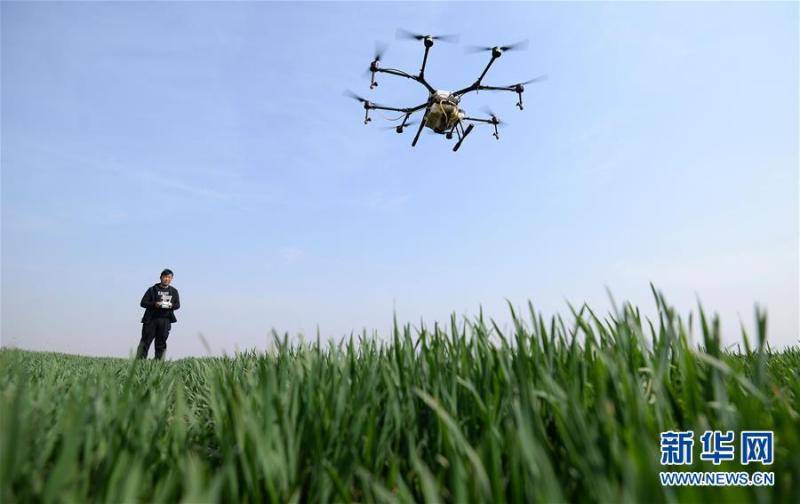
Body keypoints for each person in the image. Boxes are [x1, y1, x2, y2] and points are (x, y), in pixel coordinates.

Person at [137, 268, 180, 360]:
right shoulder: (152, 290)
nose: (167, 279)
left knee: (161, 343)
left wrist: (171, 305)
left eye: (169, 277)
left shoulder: (174, 291)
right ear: (161, 277)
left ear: (171, 279)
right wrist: (155, 304)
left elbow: (177, 305)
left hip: (165, 320)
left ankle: (158, 364)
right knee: (145, 342)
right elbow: (143, 303)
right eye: (165, 277)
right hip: (151, 319)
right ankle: (139, 363)